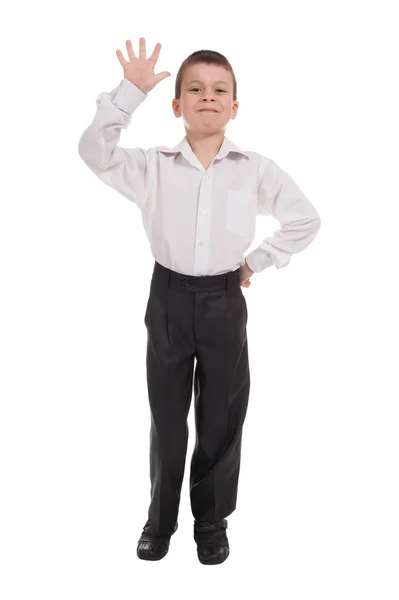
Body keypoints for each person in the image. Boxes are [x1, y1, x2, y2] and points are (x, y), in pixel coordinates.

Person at [78, 37, 321, 565]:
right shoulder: (152, 167)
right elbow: (94, 152)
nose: (206, 97)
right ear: (177, 105)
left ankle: (211, 520)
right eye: (194, 89)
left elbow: (305, 219)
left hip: (223, 301)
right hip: (167, 297)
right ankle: (159, 520)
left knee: (221, 414)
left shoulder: (255, 168)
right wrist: (128, 93)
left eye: (219, 90)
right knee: (167, 417)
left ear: (234, 107)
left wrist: (256, 262)